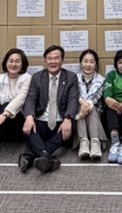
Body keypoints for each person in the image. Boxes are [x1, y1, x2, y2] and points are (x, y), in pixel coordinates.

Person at [19, 45, 79, 174]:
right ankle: (46, 157)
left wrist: (68, 118)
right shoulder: (37, 77)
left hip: (60, 122)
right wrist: (29, 117)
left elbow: (73, 100)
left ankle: (32, 156)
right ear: (45, 61)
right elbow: (31, 99)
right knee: (28, 127)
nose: (53, 61)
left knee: (72, 124)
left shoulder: (71, 77)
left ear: (62, 60)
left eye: (56, 58)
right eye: (49, 58)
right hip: (41, 120)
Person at [75, 49, 106, 160]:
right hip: (78, 114)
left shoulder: (102, 80)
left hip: (95, 114)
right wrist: (82, 103)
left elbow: (95, 98)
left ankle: (94, 143)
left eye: (92, 62)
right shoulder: (74, 78)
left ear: (96, 65)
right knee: (80, 107)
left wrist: (86, 105)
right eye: (85, 61)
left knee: (91, 109)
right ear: (80, 63)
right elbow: (74, 95)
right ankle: (84, 142)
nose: (88, 65)